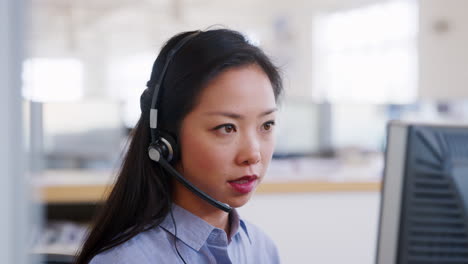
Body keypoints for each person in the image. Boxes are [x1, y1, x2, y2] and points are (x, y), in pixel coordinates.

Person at [75, 28, 283, 264]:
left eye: (266, 125)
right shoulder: (125, 260)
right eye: (227, 127)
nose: (253, 155)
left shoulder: (262, 249)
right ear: (166, 138)